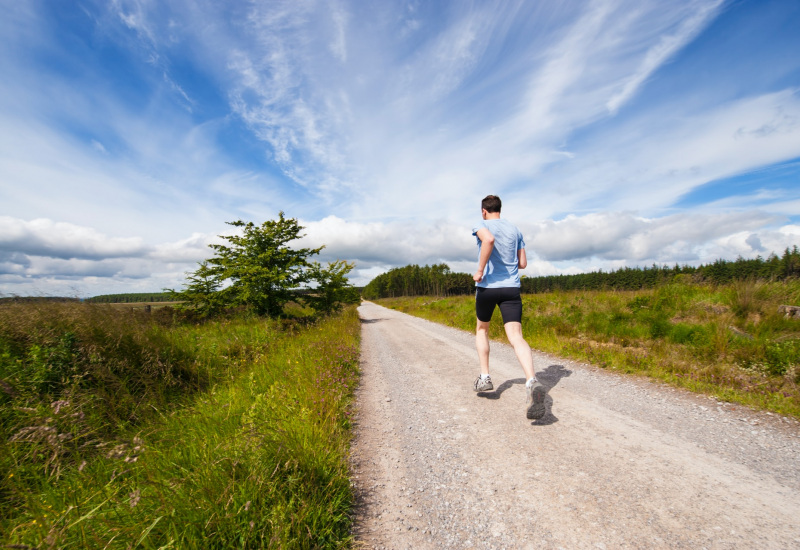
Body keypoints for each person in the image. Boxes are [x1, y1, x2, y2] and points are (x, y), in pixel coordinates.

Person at [472, 195, 546, 420]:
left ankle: (485, 377)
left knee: (482, 329)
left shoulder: (481, 225)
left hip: (488, 287)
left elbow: (489, 240)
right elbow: (522, 263)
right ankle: (532, 380)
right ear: (499, 210)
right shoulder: (515, 230)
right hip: (511, 288)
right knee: (516, 336)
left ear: (484, 211)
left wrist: (480, 270)